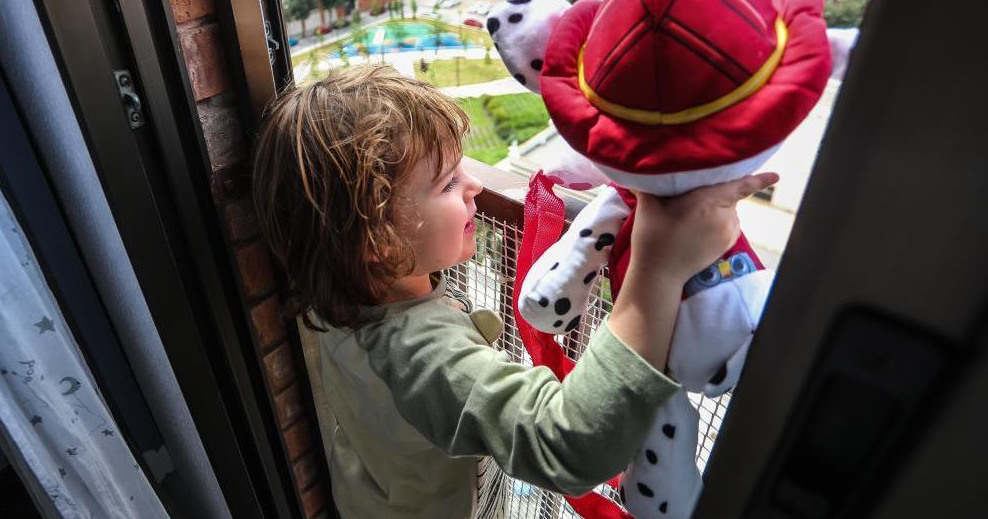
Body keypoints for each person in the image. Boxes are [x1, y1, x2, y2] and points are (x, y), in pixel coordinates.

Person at [251, 65, 777, 519]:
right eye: (448, 184)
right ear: (378, 242)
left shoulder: (332, 295)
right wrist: (657, 271)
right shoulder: (422, 354)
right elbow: (569, 446)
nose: (475, 185)